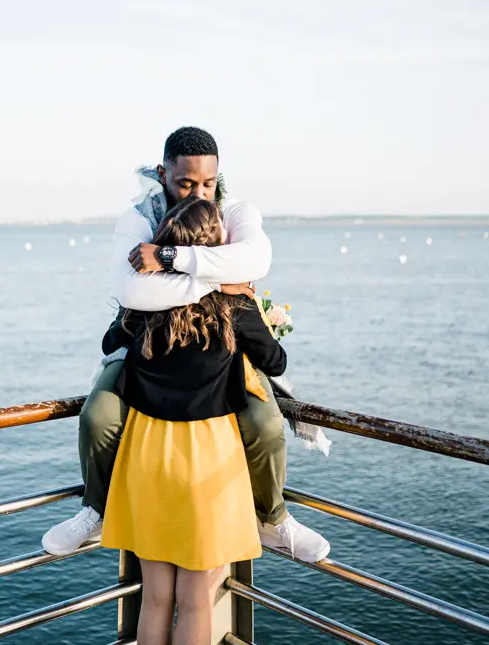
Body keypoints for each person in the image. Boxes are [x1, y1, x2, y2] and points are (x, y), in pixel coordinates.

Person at [42, 126, 329, 563]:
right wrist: (220, 285)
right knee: (97, 416)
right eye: (186, 183)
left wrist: (171, 260)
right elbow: (132, 292)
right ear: (163, 174)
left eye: (207, 184)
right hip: (147, 334)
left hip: (225, 339)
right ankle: (95, 510)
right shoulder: (139, 217)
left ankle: (273, 519)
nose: (198, 194)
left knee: (266, 425)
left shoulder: (233, 210)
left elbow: (257, 259)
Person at [100, 196, 288, 644]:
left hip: (147, 451)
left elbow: (111, 341)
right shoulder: (233, 307)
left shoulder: (143, 305)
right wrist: (250, 308)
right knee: (198, 598)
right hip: (207, 456)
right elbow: (276, 362)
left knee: (157, 596)